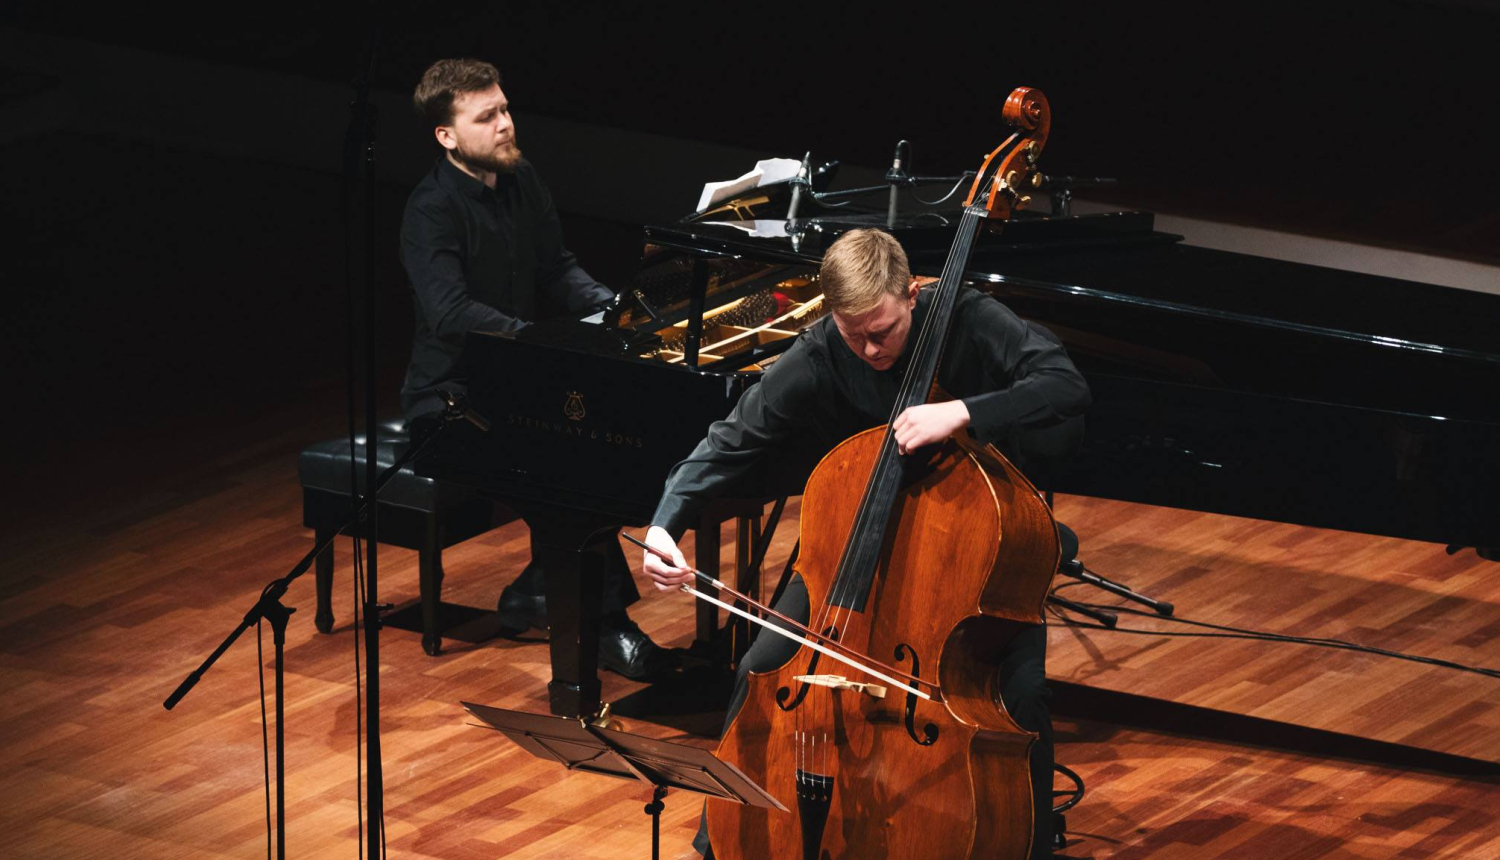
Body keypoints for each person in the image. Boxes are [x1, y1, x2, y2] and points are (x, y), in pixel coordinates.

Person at [640, 228, 1090, 859]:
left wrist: (963, 411)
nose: (871, 349)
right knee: (758, 667)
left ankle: (1028, 845)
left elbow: (1066, 385)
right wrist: (665, 523)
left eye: (883, 331)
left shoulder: (967, 317)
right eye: (855, 335)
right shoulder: (825, 348)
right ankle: (726, 843)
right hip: (852, 544)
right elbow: (732, 438)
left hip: (971, 551)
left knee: (1019, 697)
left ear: (911, 294)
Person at [400, 58, 671, 679]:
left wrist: (615, 311)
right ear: (447, 136)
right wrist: (532, 339)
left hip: (514, 386)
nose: (504, 124)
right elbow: (449, 312)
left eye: (504, 109)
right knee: (570, 464)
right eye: (486, 116)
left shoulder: (521, 179)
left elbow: (557, 268)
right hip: (449, 401)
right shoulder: (429, 210)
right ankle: (602, 628)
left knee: (604, 444)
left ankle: (540, 588)